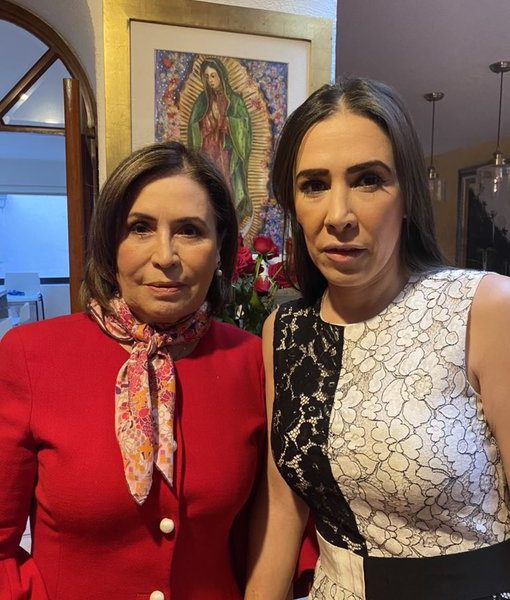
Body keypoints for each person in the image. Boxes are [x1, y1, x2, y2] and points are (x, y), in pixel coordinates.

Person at [245, 79, 510, 600]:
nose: (338, 216)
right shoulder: (286, 332)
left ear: (407, 195)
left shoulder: (483, 309)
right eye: (313, 185)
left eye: (368, 180)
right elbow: (280, 510)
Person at [0, 141, 266, 600]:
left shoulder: (252, 362)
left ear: (221, 248)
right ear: (110, 244)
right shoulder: (31, 355)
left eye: (190, 231)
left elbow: (264, 536)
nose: (165, 256)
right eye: (140, 228)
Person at [188, 57, 252, 223]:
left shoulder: (234, 101)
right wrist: (205, 122)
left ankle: (228, 220)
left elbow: (244, 128)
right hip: (207, 151)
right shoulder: (202, 101)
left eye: (213, 75)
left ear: (221, 76)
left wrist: (227, 122)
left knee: (226, 185)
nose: (210, 80)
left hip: (226, 152)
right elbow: (193, 126)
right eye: (207, 76)